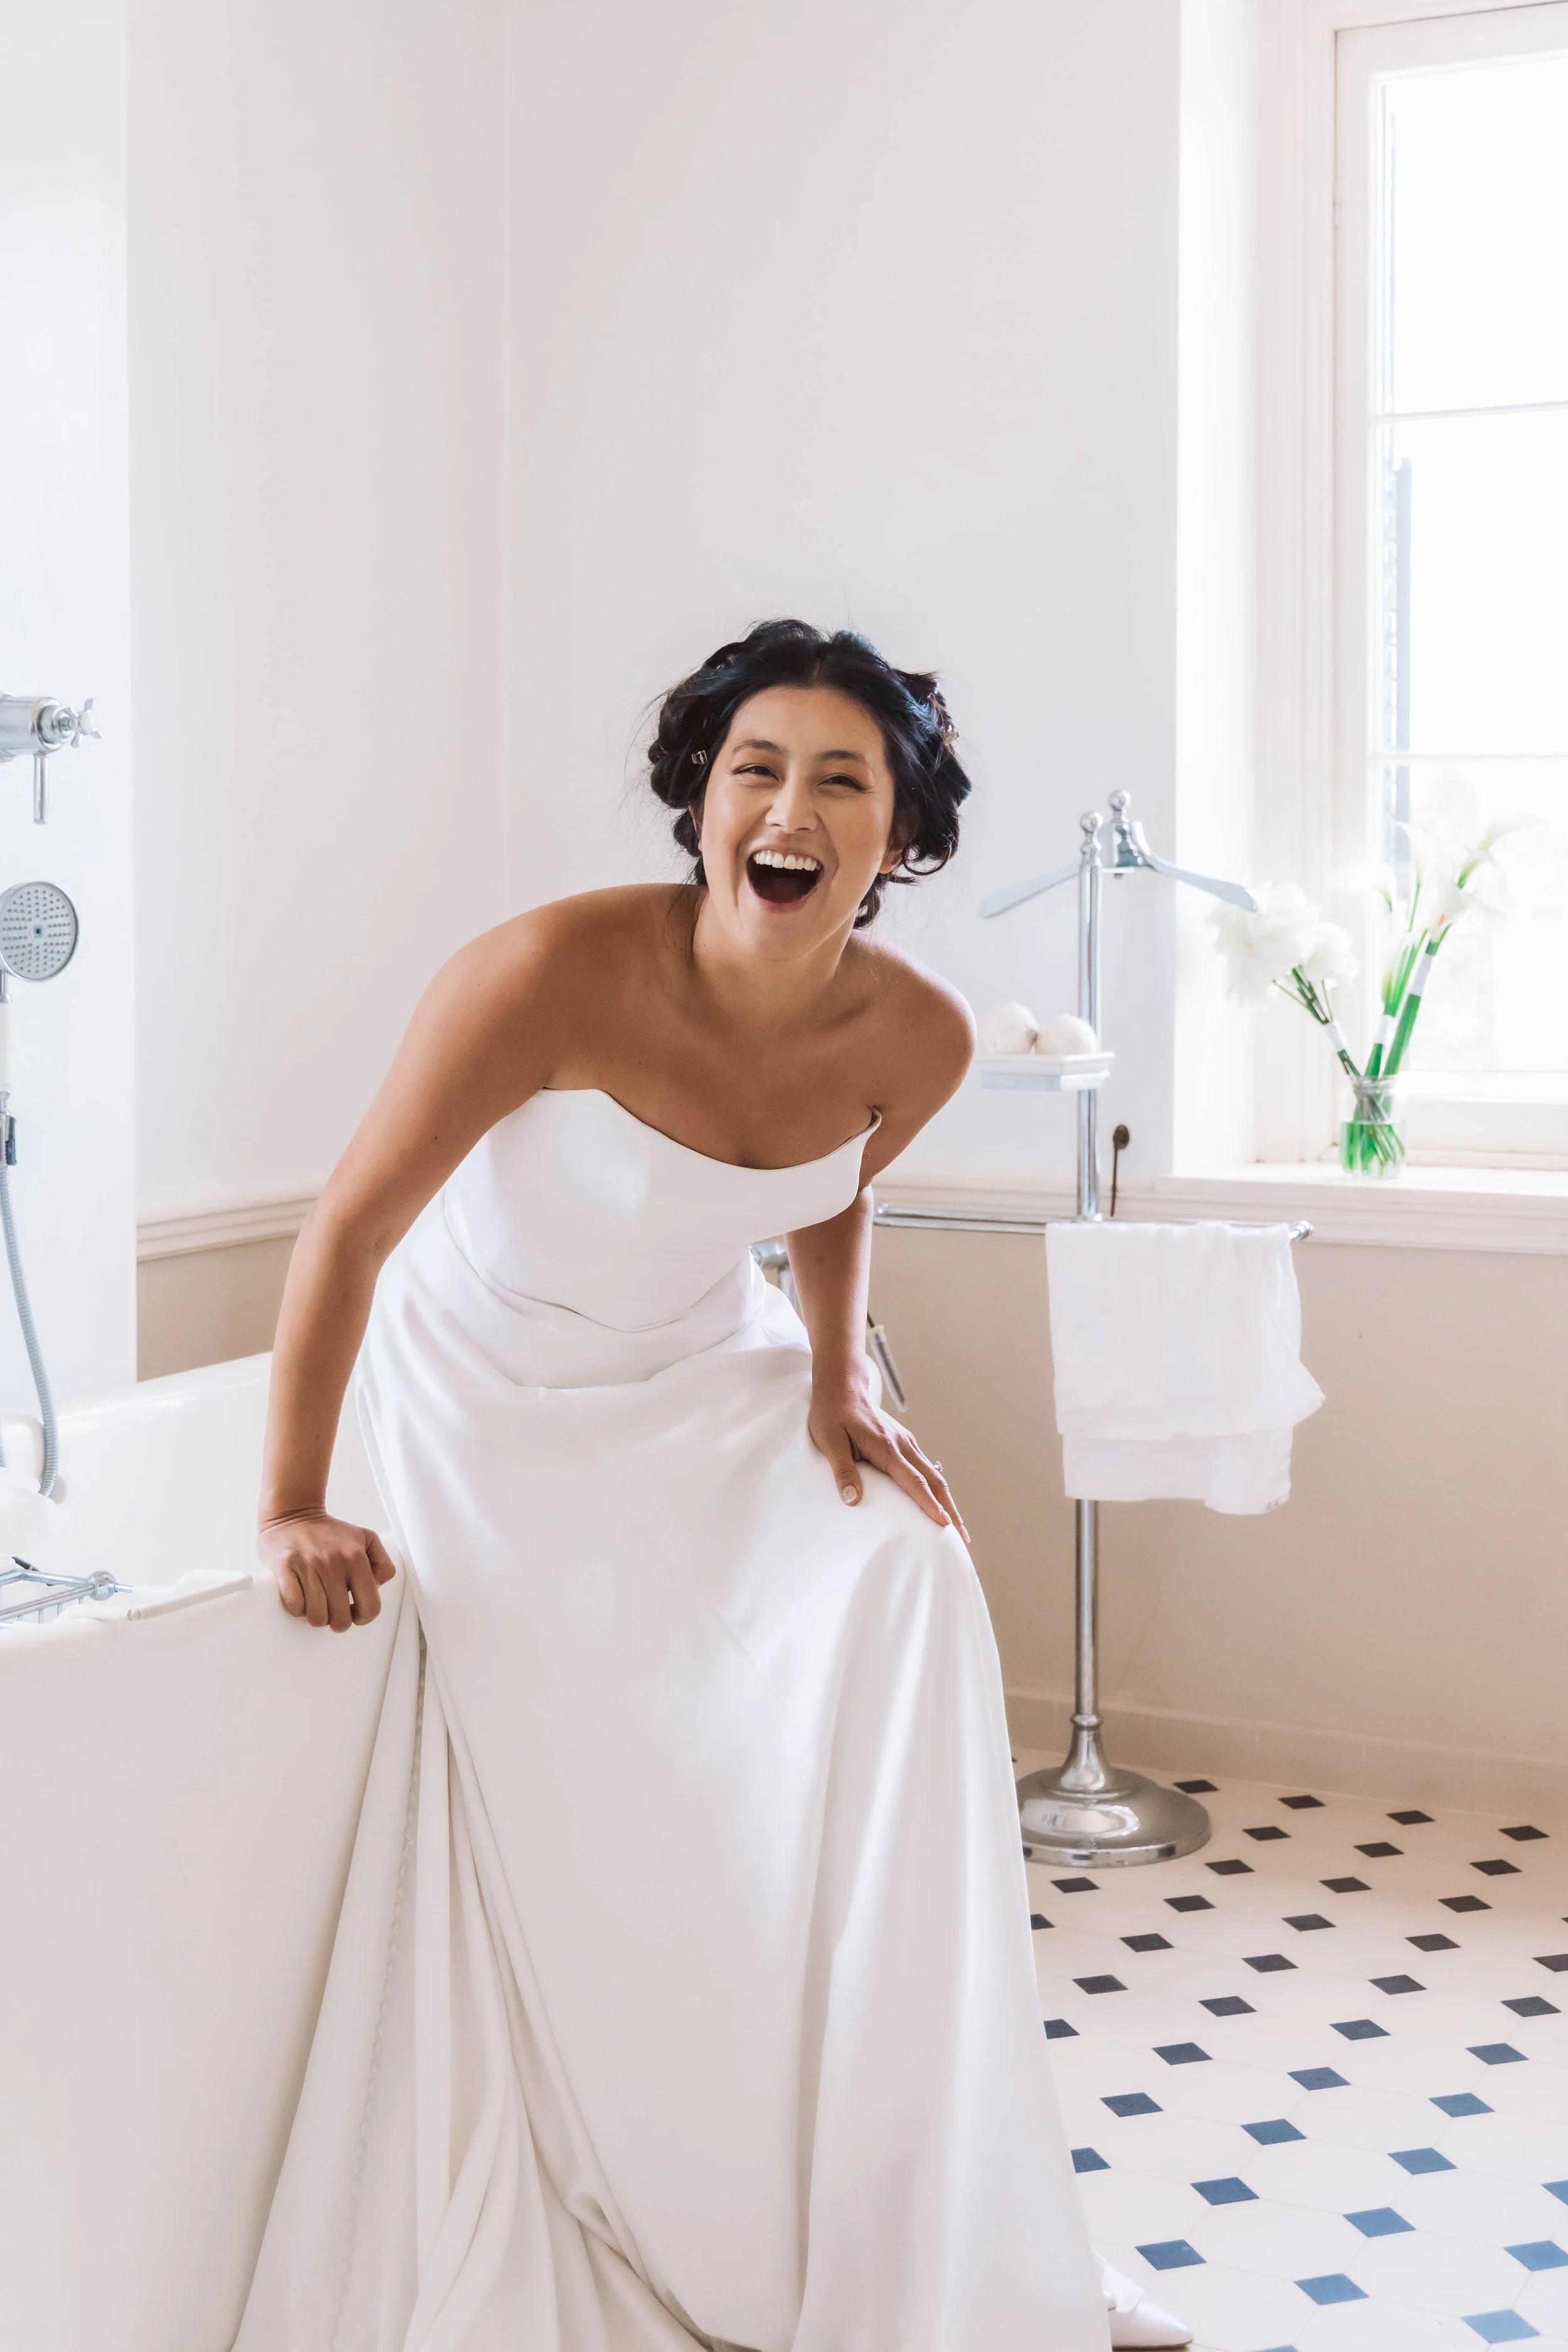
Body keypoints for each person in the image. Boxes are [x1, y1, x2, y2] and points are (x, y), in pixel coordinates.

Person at [237, 620, 1188, 2350]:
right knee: (616, 1752)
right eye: (755, 766)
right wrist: (293, 1499)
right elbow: (351, 1229)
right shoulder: (541, 972)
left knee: (908, 1579)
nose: (790, 803)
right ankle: (683, 2137)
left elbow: (828, 1182)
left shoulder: (926, 1031)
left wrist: (834, 1378)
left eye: (842, 778)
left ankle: (947, 2213)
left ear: (897, 839)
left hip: (704, 1364)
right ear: (699, 802)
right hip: (489, 1395)